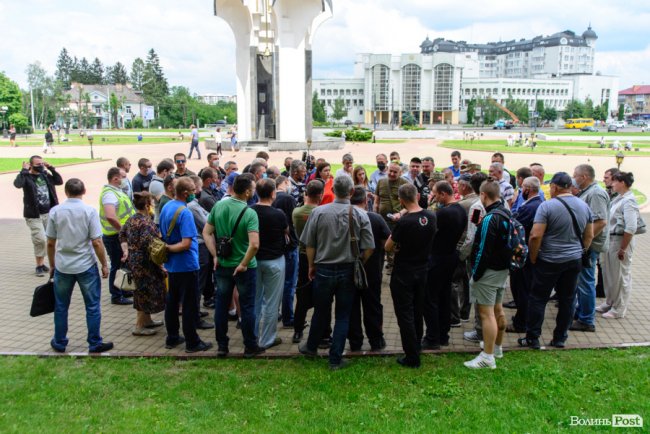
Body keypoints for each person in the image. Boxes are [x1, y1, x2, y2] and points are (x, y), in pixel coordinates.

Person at [298, 175, 374, 370]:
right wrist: (360, 262)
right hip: (348, 270)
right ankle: (335, 359)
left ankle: (311, 347)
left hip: (323, 269)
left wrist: (311, 265)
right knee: (342, 315)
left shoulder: (318, 212)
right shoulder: (360, 214)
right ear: (351, 192)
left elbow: (310, 244)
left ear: (332, 191)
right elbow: (369, 247)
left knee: (320, 311)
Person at [520, 172, 594, 349]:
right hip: (573, 260)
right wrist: (580, 251)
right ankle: (560, 338)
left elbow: (535, 235)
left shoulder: (547, 206)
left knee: (538, 299)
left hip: (549, 260)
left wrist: (533, 257)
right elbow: (589, 235)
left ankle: (532, 338)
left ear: (554, 187)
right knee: (567, 300)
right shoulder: (584, 206)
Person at [45, 178, 112, 353]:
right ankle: (94, 342)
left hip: (63, 265)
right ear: (84, 191)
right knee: (92, 306)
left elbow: (50, 242)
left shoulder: (55, 211)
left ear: (66, 192)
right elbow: (97, 242)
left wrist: (52, 265)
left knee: (61, 306)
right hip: (85, 264)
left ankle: (59, 341)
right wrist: (104, 264)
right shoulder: (89, 211)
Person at [203, 174, 265, 358]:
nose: (254, 191)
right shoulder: (250, 213)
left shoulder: (219, 205)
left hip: (223, 264)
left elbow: (206, 232)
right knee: (247, 307)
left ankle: (222, 346)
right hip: (244, 268)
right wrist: (244, 264)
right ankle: (250, 346)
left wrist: (215, 255)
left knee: (221, 306)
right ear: (247, 192)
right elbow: (254, 245)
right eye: (253, 189)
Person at [385, 183, 437, 368]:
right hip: (422, 270)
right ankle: (417, 345)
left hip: (404, 272)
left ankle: (411, 356)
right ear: (417, 196)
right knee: (417, 310)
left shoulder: (404, 222)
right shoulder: (431, 216)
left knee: (404, 313)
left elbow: (388, 246)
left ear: (401, 200)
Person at [159, 177, 213, 353]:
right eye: (192, 191)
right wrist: (169, 248)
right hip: (186, 264)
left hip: (172, 265)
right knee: (189, 304)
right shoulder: (185, 212)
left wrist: (166, 248)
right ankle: (192, 341)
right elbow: (186, 243)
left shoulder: (167, 206)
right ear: (185, 193)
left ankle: (172, 337)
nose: (195, 194)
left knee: (172, 302)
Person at [463, 178, 512, 369]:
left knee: (486, 314)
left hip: (488, 272)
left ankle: (487, 357)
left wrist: (476, 274)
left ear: (483, 195)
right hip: (502, 270)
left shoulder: (489, 218)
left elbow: (482, 250)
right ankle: (497, 348)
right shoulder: (506, 211)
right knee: (498, 310)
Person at [422, 181, 467, 348]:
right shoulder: (461, 210)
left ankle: (432, 337)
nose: (433, 197)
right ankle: (443, 335)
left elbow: (430, 232)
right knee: (444, 296)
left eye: (435, 194)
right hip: (451, 256)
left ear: (443, 194)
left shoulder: (443, 213)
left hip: (437, 259)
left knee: (431, 299)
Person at [348, 186, 391, 352]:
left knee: (351, 306)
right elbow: (387, 243)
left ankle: (355, 342)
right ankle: (376, 340)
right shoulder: (376, 218)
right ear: (366, 201)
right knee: (373, 305)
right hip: (372, 270)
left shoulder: (343, 216)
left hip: (348, 269)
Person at [119, 192, 166, 336]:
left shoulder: (132, 219)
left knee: (141, 291)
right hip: (145, 263)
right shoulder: (146, 223)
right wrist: (160, 265)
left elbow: (122, 234)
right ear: (147, 205)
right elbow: (150, 245)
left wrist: (126, 251)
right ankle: (139, 326)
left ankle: (147, 320)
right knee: (143, 292)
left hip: (135, 261)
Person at [570, 164, 610, 332]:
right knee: (582, 281)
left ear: (584, 177)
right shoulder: (588, 192)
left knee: (586, 281)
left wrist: (585, 243)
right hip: (586, 244)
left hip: (589, 246)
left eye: (575, 175)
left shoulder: (596, 194)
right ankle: (581, 312)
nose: (573, 178)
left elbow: (601, 221)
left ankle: (586, 320)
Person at [600, 172, 642, 319]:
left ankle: (619, 308)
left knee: (620, 275)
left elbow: (631, 227)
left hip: (620, 241)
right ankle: (610, 302)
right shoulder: (619, 198)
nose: (612, 184)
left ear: (622, 183)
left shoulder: (629, 201)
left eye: (615, 181)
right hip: (611, 240)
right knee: (609, 274)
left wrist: (623, 248)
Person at [252, 179, 288, 348]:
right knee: (271, 302)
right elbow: (286, 230)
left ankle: (252, 337)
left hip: (254, 260)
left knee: (255, 300)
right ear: (273, 193)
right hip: (274, 261)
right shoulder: (278, 214)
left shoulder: (250, 211)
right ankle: (267, 339)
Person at [13, 155, 63, 276]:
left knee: (49, 239)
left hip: (49, 212)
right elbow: (18, 184)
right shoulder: (26, 177)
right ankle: (39, 265)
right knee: (40, 239)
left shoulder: (45, 175)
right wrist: (23, 171)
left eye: (42, 163)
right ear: (31, 165)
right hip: (34, 215)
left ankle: (46, 264)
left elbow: (59, 181)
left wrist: (51, 168)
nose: (40, 166)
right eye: (37, 164)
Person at [507, 176, 542, 333]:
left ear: (528, 189)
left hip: (523, 252)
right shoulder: (538, 203)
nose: (521, 191)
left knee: (521, 288)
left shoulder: (530, 207)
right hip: (527, 251)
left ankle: (521, 322)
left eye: (522, 189)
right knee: (524, 287)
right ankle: (522, 319)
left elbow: (516, 226)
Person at [291, 180, 324, 343]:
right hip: (320, 257)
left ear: (306, 194)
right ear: (320, 195)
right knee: (322, 296)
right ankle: (323, 332)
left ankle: (297, 330)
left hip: (303, 255)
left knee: (302, 294)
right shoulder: (322, 213)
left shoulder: (297, 212)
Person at [99, 167, 136, 305]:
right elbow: (110, 216)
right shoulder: (109, 194)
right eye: (123, 177)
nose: (126, 180)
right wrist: (123, 231)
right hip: (115, 236)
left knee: (123, 264)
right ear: (115, 178)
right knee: (117, 265)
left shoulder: (116, 191)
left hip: (118, 235)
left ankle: (124, 289)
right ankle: (116, 295)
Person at [186, 175, 216, 328]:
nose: (198, 191)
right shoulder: (192, 206)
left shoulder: (194, 204)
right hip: (200, 245)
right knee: (198, 282)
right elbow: (207, 222)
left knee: (200, 281)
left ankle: (195, 311)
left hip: (201, 245)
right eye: (196, 189)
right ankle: (194, 316)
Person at [272, 176, 299, 329]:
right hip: (289, 246)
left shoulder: (269, 198)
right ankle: (288, 318)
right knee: (289, 283)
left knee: (275, 284)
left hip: (274, 247)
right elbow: (293, 221)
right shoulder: (288, 199)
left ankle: (275, 314)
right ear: (285, 182)